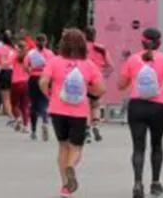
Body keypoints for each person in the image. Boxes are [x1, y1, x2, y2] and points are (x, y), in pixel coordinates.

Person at [118, 28, 163, 198]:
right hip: (159, 107)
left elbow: (121, 85)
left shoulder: (133, 59)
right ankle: (155, 183)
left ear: (142, 41)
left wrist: (132, 80)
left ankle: (137, 183)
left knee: (138, 147)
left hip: (136, 106)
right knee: (157, 145)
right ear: (159, 42)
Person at [39, 28, 106, 198]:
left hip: (57, 110)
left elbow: (43, 82)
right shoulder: (89, 64)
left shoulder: (54, 61)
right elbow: (101, 88)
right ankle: (71, 167)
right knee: (76, 147)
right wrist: (88, 90)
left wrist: (49, 94)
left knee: (63, 146)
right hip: (79, 112)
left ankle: (65, 187)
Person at [84, 27, 113, 143]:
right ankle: (95, 124)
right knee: (95, 104)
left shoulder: (81, 47)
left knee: (85, 105)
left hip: (84, 77)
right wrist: (102, 72)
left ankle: (86, 132)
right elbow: (111, 66)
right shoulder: (101, 48)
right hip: (97, 77)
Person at [25, 33, 54, 141]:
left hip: (33, 79)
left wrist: (31, 72)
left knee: (33, 104)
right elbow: (53, 67)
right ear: (45, 42)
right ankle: (45, 121)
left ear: (36, 42)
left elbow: (25, 66)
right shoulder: (50, 53)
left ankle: (33, 131)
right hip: (45, 79)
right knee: (44, 102)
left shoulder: (31, 53)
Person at [0, 29, 17, 125]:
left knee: (5, 97)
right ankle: (17, 115)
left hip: (4, 72)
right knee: (13, 96)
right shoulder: (14, 49)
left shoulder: (0, 49)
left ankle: (11, 117)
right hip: (14, 72)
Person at [11, 39, 30, 133]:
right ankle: (26, 126)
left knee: (14, 104)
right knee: (25, 106)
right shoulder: (28, 57)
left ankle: (18, 118)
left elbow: (8, 64)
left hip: (15, 82)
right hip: (26, 82)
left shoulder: (14, 57)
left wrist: (16, 50)